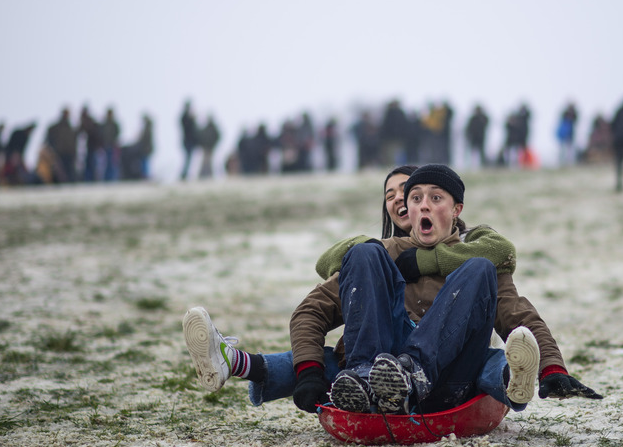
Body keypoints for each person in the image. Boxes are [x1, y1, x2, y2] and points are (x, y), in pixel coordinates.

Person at [182, 165, 601, 414]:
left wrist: (553, 368)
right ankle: (363, 377)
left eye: (434, 198)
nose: (420, 204)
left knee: (476, 275)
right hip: (377, 375)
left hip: (447, 375)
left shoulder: (478, 257)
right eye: (414, 197)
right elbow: (311, 309)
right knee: (362, 258)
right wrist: (310, 373)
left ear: (455, 211)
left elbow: (521, 317)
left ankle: (513, 377)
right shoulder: (381, 253)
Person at [45, 108, 78, 183]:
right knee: (60, 172)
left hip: (70, 153)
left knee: (70, 171)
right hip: (60, 153)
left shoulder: (71, 127)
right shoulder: (56, 127)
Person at [465, 104, 489, 168]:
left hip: (480, 138)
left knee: (481, 153)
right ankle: (471, 165)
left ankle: (482, 165)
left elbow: (486, 123)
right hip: (474, 138)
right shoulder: (473, 118)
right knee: (473, 152)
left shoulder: (483, 118)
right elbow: (469, 128)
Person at [180, 100, 198, 180]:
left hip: (188, 141)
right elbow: (190, 129)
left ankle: (185, 174)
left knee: (189, 158)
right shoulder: (185, 117)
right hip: (188, 141)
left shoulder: (185, 117)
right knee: (188, 158)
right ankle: (184, 174)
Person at [556, 102, 578, 167]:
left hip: (570, 134)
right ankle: (561, 161)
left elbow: (576, 120)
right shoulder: (565, 113)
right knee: (563, 148)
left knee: (569, 148)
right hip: (564, 134)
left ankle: (569, 161)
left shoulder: (574, 113)